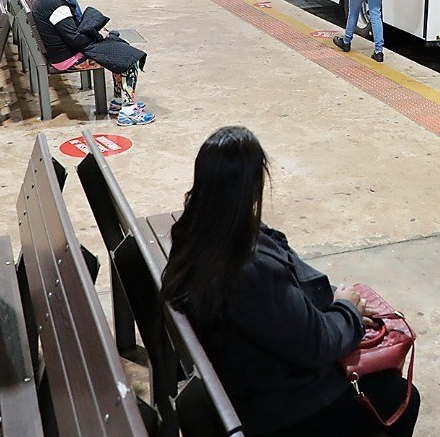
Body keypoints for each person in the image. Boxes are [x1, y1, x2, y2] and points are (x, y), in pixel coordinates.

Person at [162, 126, 420, 436]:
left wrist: (332, 303)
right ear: (253, 186)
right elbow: (315, 344)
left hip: (232, 382)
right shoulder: (247, 264)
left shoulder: (194, 233)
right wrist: (347, 310)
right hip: (277, 411)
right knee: (402, 397)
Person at [32, 0, 152, 124]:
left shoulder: (44, 0)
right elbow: (74, 39)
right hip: (69, 58)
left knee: (118, 43)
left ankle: (119, 102)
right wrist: (98, 35)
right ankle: (129, 111)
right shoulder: (57, 6)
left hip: (62, 53)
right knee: (129, 59)